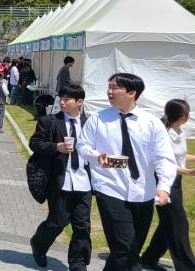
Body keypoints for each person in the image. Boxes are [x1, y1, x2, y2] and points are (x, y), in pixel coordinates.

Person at [76, 73, 177, 270]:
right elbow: (82, 146)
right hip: (110, 189)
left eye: (115, 87)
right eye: (109, 87)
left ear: (132, 93)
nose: (109, 91)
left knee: (129, 249)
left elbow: (164, 158)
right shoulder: (98, 119)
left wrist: (164, 186)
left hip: (144, 192)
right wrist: (97, 156)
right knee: (125, 250)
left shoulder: (151, 122)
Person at [28, 84, 91, 270]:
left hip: (84, 182)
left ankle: (78, 264)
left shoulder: (90, 124)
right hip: (60, 181)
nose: (62, 102)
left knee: (82, 226)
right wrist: (56, 147)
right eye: (61, 99)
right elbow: (35, 143)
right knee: (57, 222)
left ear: (79, 102)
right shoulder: (49, 121)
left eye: (66, 99)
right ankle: (38, 244)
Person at [140, 99, 195, 271]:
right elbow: (164, 163)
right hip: (163, 182)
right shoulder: (163, 135)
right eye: (188, 113)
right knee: (179, 224)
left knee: (168, 222)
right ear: (183, 116)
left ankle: (149, 258)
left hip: (176, 182)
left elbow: (179, 156)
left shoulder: (180, 131)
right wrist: (188, 172)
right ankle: (187, 267)